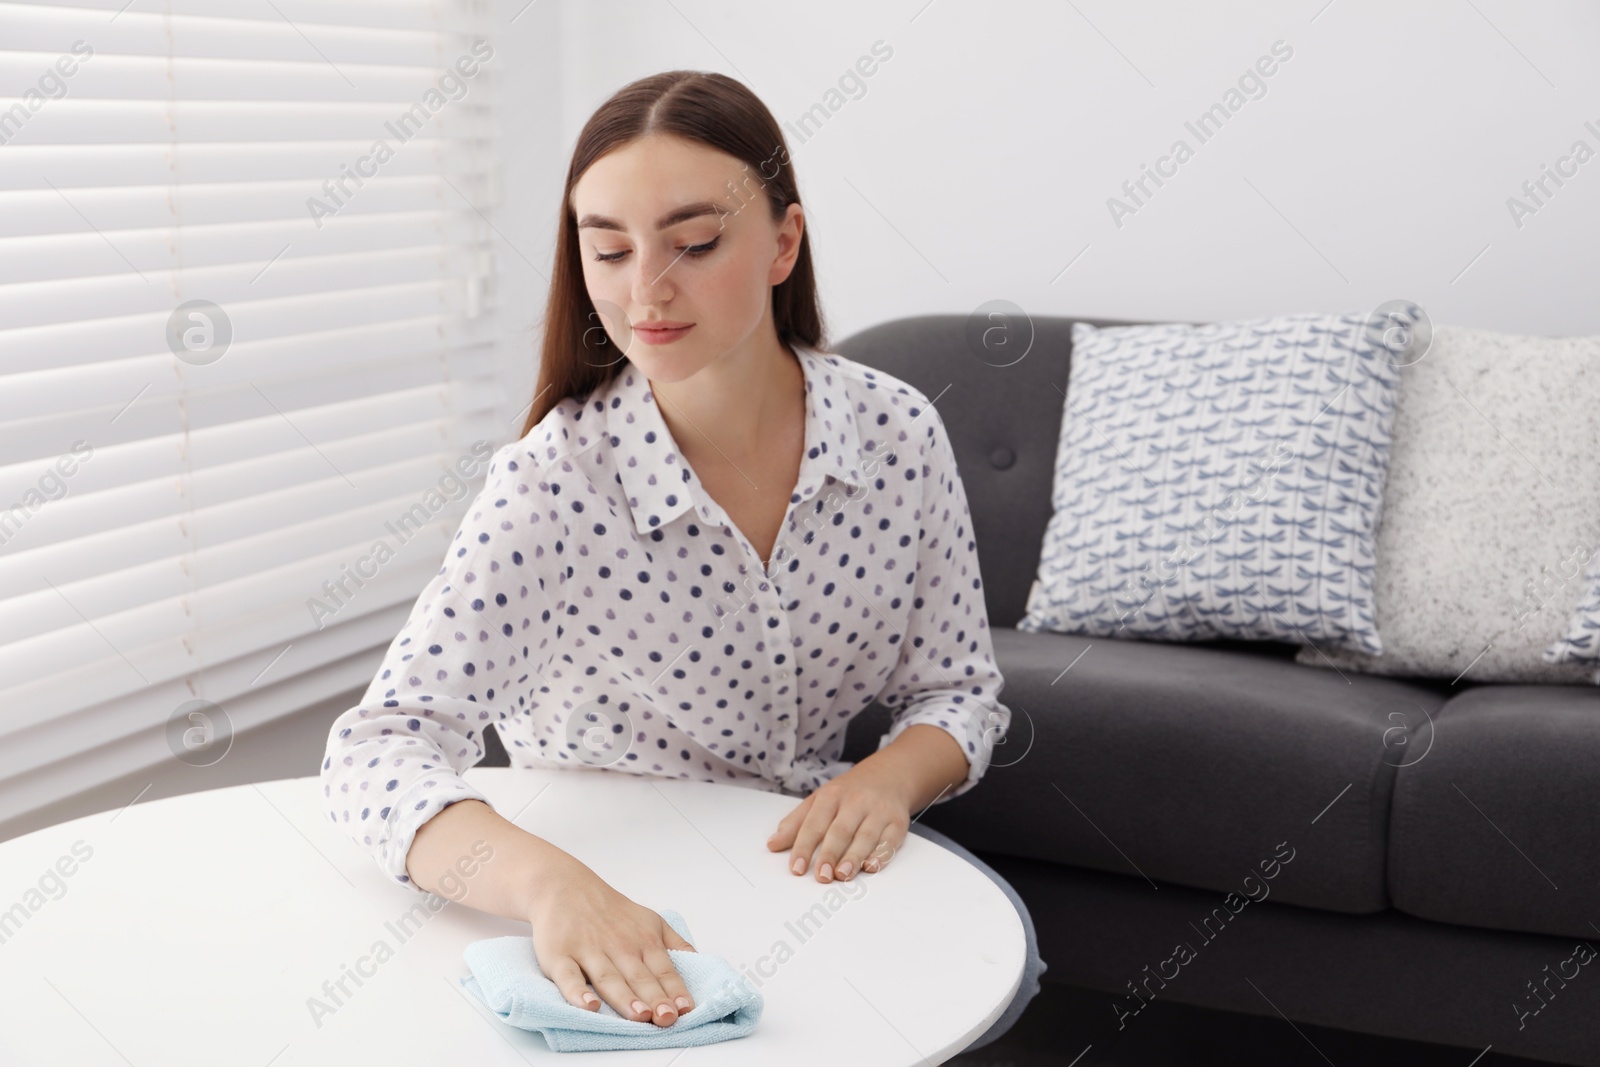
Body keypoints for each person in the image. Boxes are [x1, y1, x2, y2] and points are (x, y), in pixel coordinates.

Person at [319, 68, 1045, 1050]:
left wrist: (888, 779)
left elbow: (958, 688)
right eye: (607, 250)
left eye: (694, 244)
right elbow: (375, 749)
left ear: (783, 241)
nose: (645, 290)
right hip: (620, 897)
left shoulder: (894, 431)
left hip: (805, 881)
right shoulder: (553, 486)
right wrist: (550, 884)